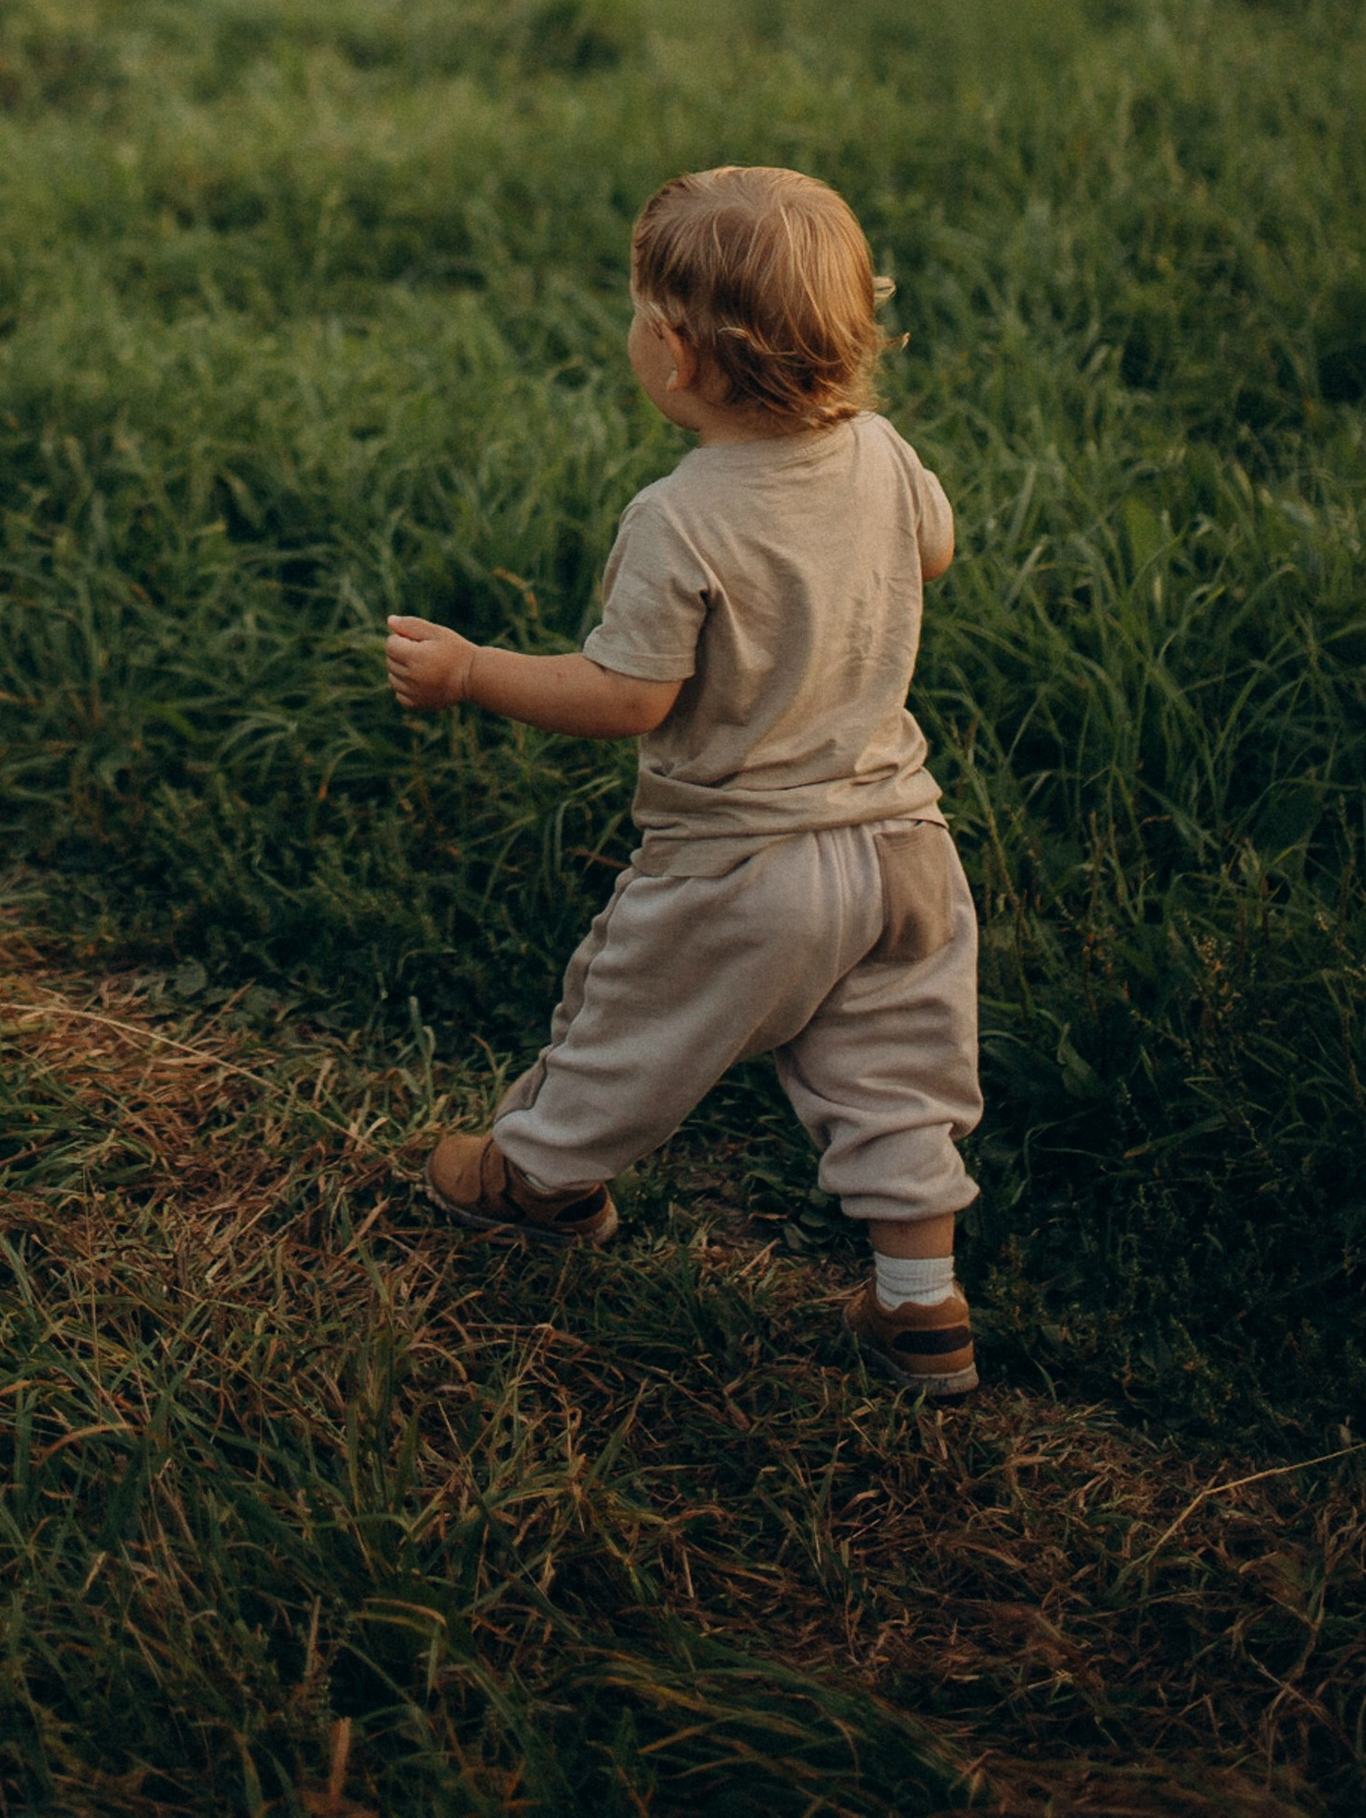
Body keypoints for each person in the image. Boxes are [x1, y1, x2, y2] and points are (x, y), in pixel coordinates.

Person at [384, 163, 982, 1402]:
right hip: (902, 847)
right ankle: (919, 1301)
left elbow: (628, 698)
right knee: (898, 1076)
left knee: (629, 1025)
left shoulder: (681, 515)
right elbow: (932, 550)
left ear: (675, 353)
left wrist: (471, 671)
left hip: (742, 863)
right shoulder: (881, 453)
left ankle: (537, 1181)